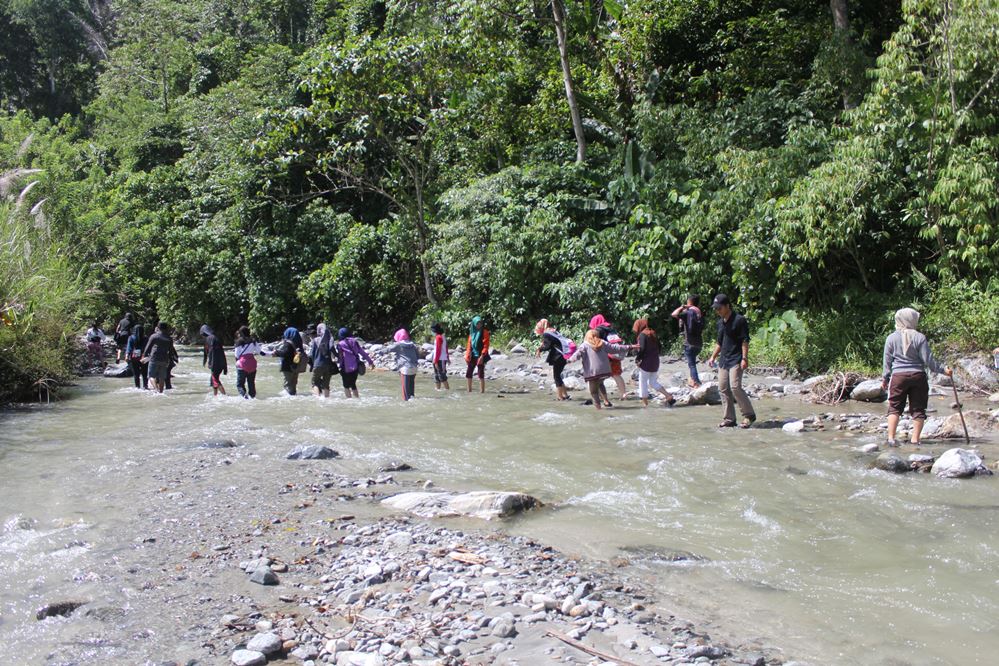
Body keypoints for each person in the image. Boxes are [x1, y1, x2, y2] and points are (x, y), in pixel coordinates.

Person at [882, 308, 952, 446]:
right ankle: (915, 440)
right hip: (918, 376)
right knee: (919, 409)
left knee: (894, 407)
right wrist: (944, 370)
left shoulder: (891, 338)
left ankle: (891, 438)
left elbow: (887, 361)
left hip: (898, 377)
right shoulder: (920, 337)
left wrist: (885, 378)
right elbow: (929, 361)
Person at [707, 294, 756, 428]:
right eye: (716, 309)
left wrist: (745, 358)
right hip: (724, 360)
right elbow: (720, 342)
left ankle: (748, 415)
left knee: (735, 387)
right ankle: (729, 419)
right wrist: (713, 357)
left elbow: (745, 340)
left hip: (737, 358)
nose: (717, 311)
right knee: (723, 388)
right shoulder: (720, 323)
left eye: (719, 308)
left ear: (727, 306)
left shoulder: (739, 320)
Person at [569, 329, 636, 410]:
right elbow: (615, 348)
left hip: (593, 372)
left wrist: (570, 360)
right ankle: (606, 401)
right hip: (605, 371)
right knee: (600, 383)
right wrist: (630, 346)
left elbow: (577, 354)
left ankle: (598, 410)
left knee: (593, 392)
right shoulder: (602, 343)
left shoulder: (585, 345)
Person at [633, 318, 676, 407]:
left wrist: (638, 359)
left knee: (642, 382)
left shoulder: (642, 335)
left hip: (646, 362)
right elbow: (659, 347)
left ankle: (645, 404)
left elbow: (642, 349)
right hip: (655, 361)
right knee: (652, 382)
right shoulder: (653, 333)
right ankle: (668, 396)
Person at [589, 314, 628, 399]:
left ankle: (602, 397)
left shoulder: (598, 331)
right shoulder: (611, 329)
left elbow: (596, 344)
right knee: (616, 375)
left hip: (607, 356)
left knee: (598, 378)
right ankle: (623, 394)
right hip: (616, 354)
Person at [535, 319, 572, 401]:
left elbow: (547, 346)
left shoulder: (547, 333)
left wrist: (539, 350)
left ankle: (560, 397)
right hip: (564, 354)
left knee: (556, 376)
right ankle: (565, 395)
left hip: (558, 356)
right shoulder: (553, 331)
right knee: (558, 375)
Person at [672, 295, 704, 388]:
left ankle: (697, 383)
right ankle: (693, 381)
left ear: (689, 302)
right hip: (699, 343)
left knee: (692, 364)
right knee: (692, 363)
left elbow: (674, 314)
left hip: (690, 343)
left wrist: (682, 307)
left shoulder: (688, 313)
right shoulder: (699, 313)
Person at [336, 327, 375, 398]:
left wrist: (339, 366)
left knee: (346, 386)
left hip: (345, 368)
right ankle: (357, 399)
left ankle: (349, 401)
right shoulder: (354, 341)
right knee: (353, 384)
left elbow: (341, 357)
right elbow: (362, 353)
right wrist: (370, 362)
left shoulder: (340, 344)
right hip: (355, 368)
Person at [142, 322, 178, 393]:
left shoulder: (154, 336)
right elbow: (171, 351)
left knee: (151, 376)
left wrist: (144, 356)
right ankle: (161, 392)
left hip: (154, 358)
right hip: (164, 359)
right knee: (162, 377)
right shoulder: (169, 338)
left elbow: (148, 347)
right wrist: (170, 360)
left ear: (158, 328)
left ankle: (156, 390)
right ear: (166, 328)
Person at [233, 326, 267, 399]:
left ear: (241, 333)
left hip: (242, 365)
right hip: (252, 364)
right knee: (251, 383)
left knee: (240, 385)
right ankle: (253, 396)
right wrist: (271, 354)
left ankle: (244, 396)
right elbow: (260, 352)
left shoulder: (238, 341)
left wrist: (238, 364)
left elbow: (236, 355)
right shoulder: (253, 341)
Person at [387, 329, 419, 400]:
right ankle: (412, 400)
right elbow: (417, 356)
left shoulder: (398, 345)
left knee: (405, 392)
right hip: (414, 368)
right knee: (411, 389)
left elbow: (387, 349)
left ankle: (407, 405)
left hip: (405, 369)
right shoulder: (412, 344)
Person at [308, 323, 338, 398]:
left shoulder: (315, 340)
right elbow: (332, 349)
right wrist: (338, 356)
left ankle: (318, 399)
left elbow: (312, 354)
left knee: (315, 383)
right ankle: (327, 399)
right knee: (326, 385)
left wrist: (313, 363)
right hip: (328, 365)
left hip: (318, 364)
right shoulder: (330, 339)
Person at [274, 326, 306, 395]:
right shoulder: (299, 344)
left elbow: (285, 353)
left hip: (288, 367)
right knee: (293, 385)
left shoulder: (288, 343)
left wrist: (276, 352)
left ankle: (289, 400)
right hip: (296, 366)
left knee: (287, 385)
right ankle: (294, 397)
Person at [465, 316, 491, 393]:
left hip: (480, 356)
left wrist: (482, 356)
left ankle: (482, 392)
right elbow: (469, 345)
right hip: (472, 356)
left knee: (481, 374)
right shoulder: (472, 334)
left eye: (480, 323)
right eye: (477, 323)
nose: (479, 325)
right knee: (469, 373)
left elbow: (486, 345)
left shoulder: (485, 332)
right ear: (474, 324)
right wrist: (467, 356)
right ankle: (469, 390)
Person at [200, 324, 228, 396]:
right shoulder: (215, 338)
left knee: (215, 380)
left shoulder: (208, 339)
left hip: (215, 363)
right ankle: (215, 396)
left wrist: (208, 363)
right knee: (213, 380)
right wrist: (225, 366)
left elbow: (209, 352)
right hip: (220, 362)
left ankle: (225, 396)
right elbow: (221, 352)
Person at [125, 324, 148, 389]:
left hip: (134, 358)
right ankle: (145, 386)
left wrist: (127, 356)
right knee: (144, 374)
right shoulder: (146, 338)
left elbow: (129, 348)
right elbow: (148, 348)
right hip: (144, 357)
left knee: (136, 374)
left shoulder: (131, 337)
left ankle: (137, 387)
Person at [430, 323, 450, 391]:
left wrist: (435, 361)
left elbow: (438, 350)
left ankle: (447, 390)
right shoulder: (441, 336)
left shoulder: (439, 337)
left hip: (440, 359)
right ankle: (438, 390)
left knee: (442, 375)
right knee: (437, 375)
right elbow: (446, 348)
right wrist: (448, 357)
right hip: (437, 358)